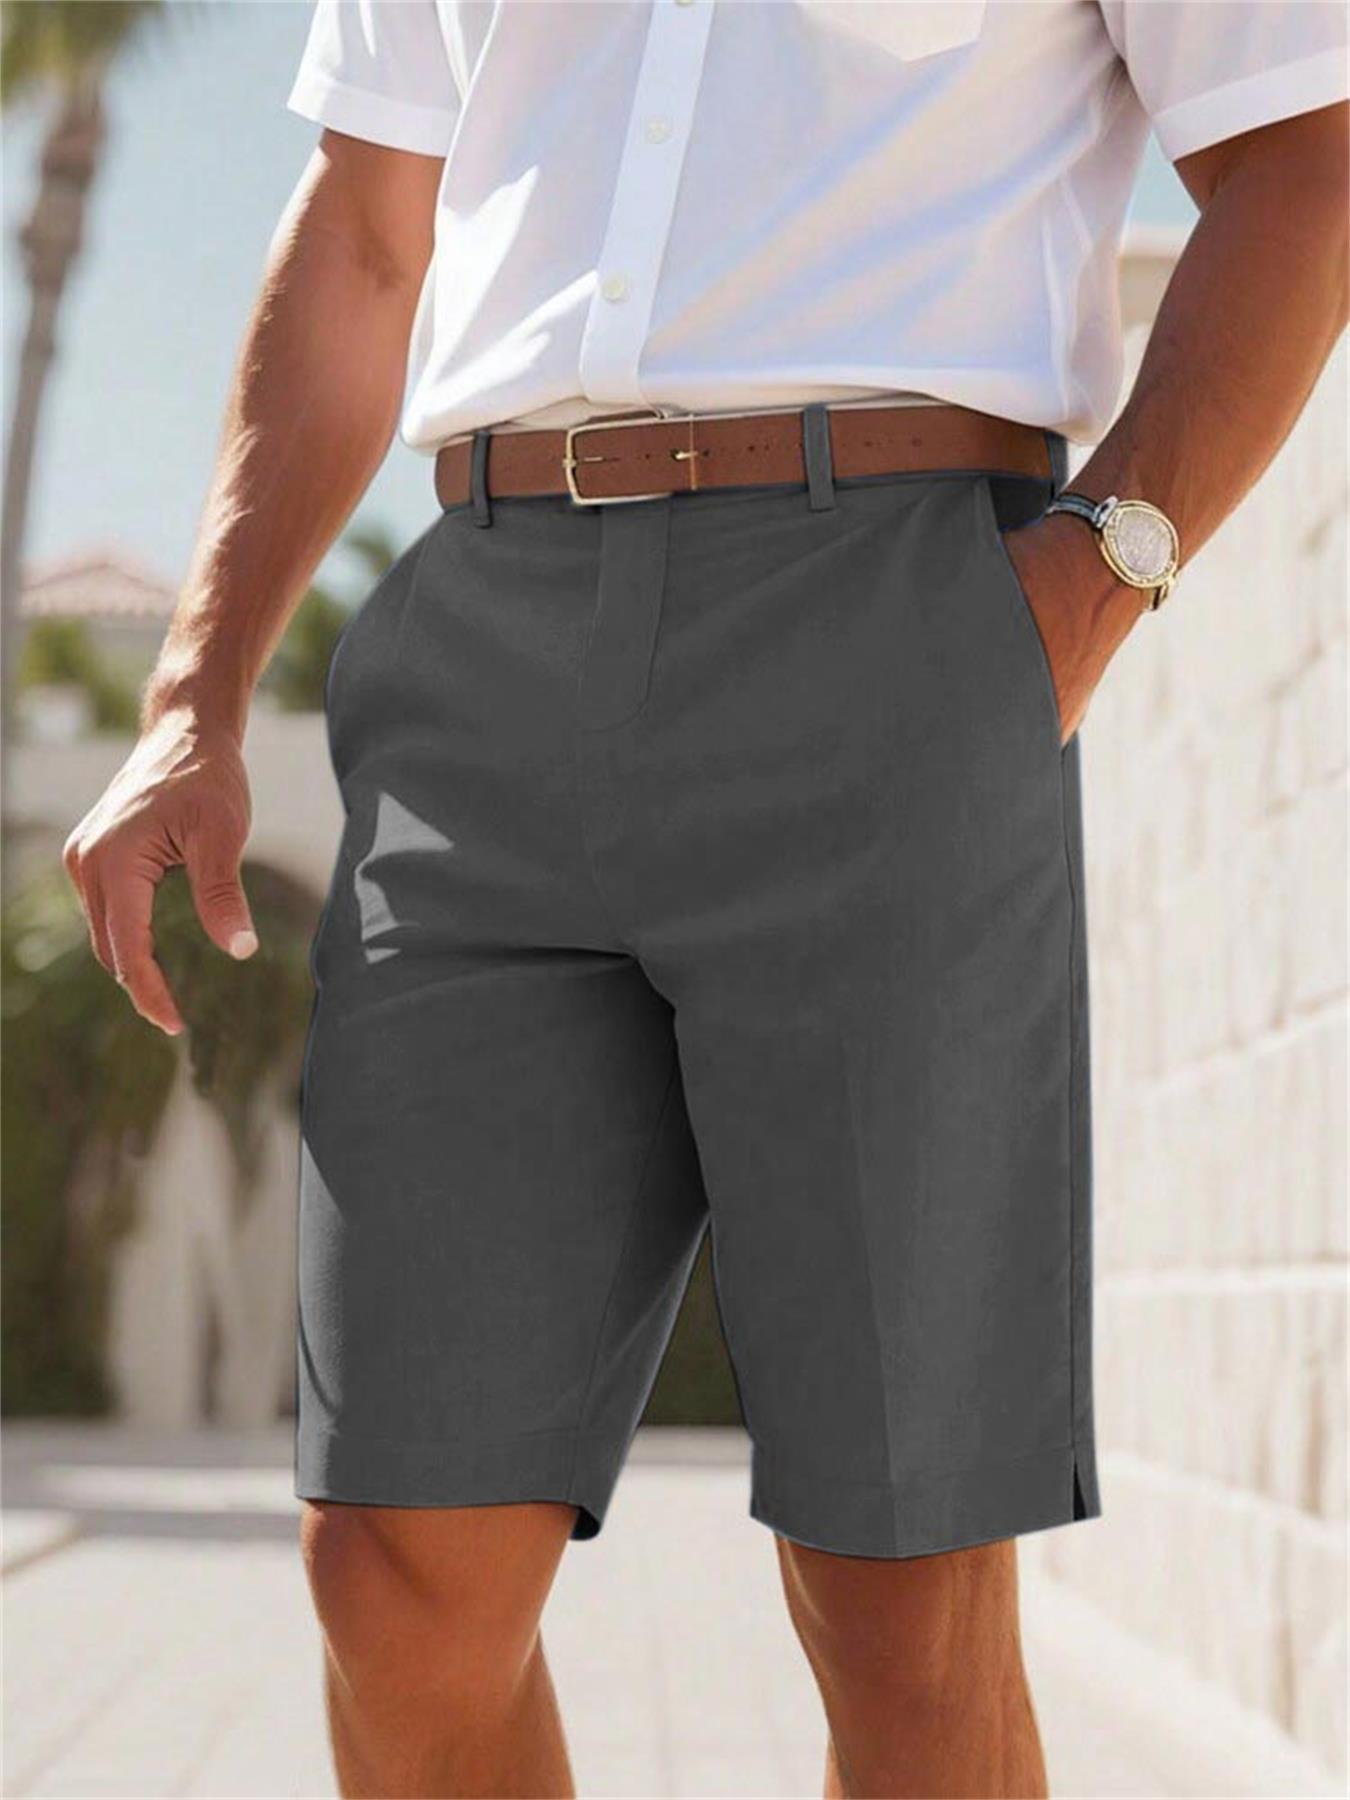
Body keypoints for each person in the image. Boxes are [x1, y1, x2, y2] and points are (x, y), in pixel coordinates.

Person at [64, 3, 1347, 1794]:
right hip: (482, 649)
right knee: (394, 1569)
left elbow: (1302, 161)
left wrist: (1086, 587)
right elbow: (363, 230)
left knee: (899, 1596)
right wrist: (194, 693)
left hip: (891, 616)